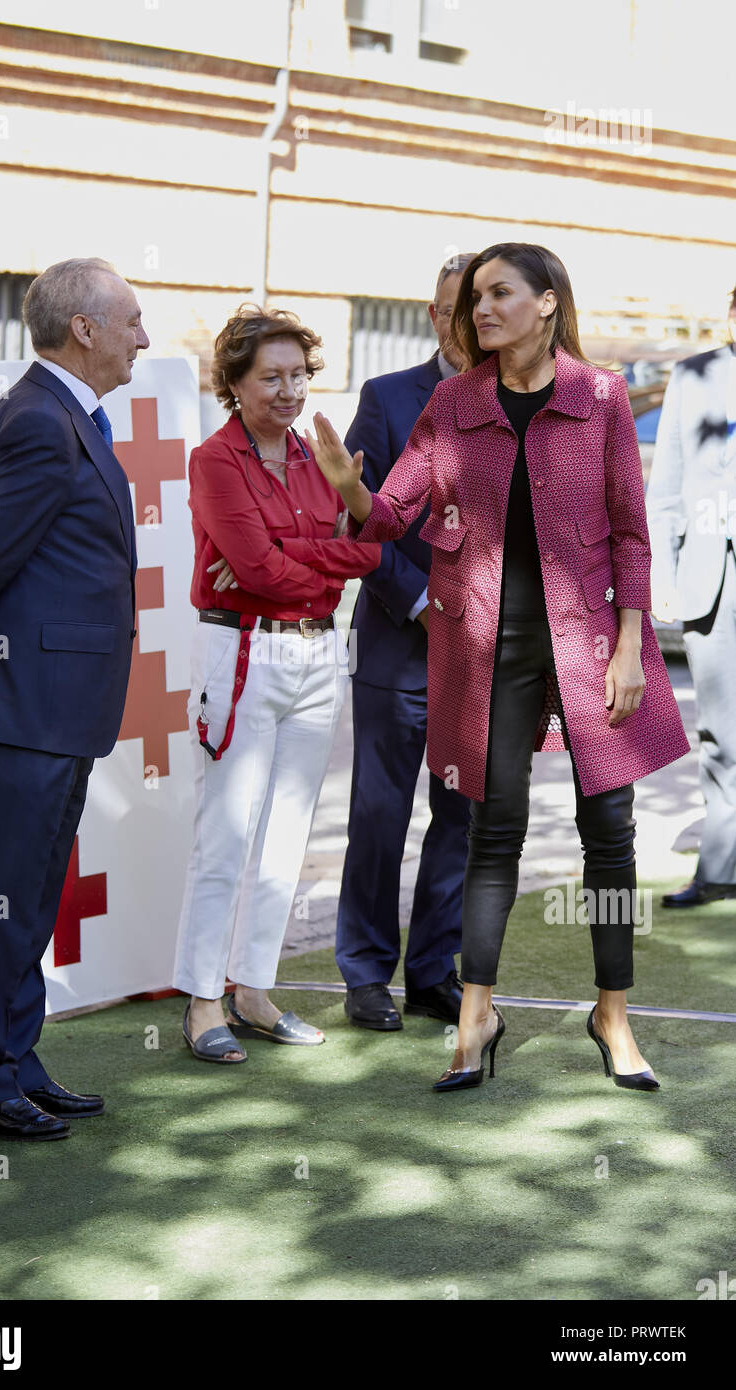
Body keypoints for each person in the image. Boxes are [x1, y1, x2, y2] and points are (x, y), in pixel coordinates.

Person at [306, 242, 690, 1094]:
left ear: (547, 303)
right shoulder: (452, 401)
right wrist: (350, 492)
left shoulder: (602, 397)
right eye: (474, 296)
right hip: (486, 646)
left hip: (590, 643)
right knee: (492, 832)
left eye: (498, 294)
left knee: (612, 836)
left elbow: (631, 531)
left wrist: (630, 645)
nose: (479, 309)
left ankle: (613, 1013)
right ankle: (475, 1013)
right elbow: (395, 511)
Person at [0, 257, 148, 1139]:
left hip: (52, 708)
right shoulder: (40, 422)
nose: (144, 338)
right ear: (82, 329)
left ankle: (16, 1057)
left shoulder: (63, 415)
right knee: (2, 898)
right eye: (130, 321)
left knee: (30, 897)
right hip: (20, 707)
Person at [173, 305, 381, 1063]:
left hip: (318, 657)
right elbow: (257, 573)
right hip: (240, 654)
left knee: (288, 833)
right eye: (271, 377)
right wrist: (312, 555)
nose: (289, 391)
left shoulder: (316, 457)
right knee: (225, 833)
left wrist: (298, 550)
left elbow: (371, 549)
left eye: (299, 375)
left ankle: (253, 988)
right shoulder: (214, 461)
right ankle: (201, 999)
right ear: (234, 382)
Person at [337, 254, 475, 1032]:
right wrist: (419, 600)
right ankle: (364, 970)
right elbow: (355, 517)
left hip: (482, 654)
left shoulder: (518, 403)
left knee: (458, 820)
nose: (473, 321)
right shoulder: (387, 400)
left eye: (487, 303)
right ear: (432, 314)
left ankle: (433, 971)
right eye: (458, 307)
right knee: (380, 813)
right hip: (400, 642)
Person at [646, 284, 736, 908]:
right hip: (712, 577)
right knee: (721, 733)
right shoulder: (693, 376)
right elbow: (667, 489)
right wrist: (664, 576)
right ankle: (721, 867)